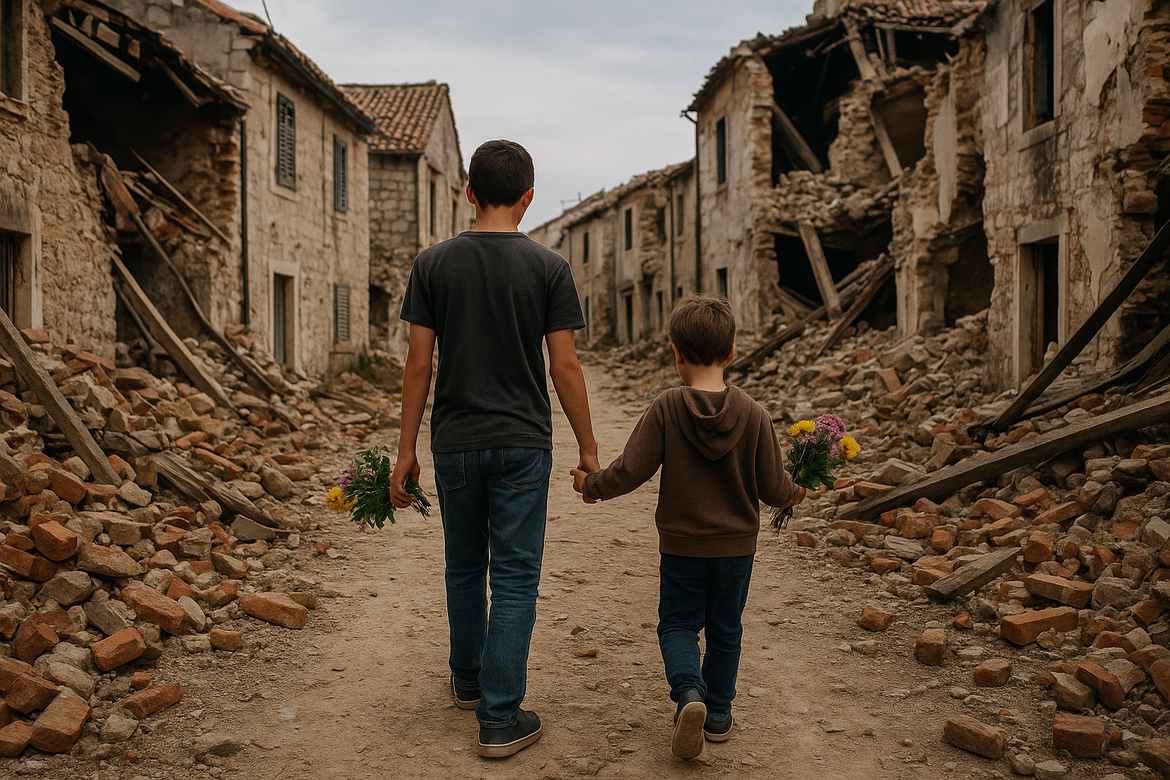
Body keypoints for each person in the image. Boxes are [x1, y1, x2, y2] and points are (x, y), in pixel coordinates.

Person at [389, 139, 599, 758]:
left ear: (469, 192)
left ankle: (469, 680)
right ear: (529, 199)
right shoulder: (549, 268)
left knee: (462, 567)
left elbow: (418, 364)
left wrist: (406, 451)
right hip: (522, 446)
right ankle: (500, 718)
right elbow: (565, 365)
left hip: (454, 443)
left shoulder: (432, 265)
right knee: (513, 578)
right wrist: (588, 450)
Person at [570, 295, 805, 760]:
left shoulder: (666, 407)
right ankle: (717, 714)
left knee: (678, 625)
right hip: (736, 550)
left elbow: (630, 470)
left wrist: (592, 485)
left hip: (681, 549)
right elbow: (773, 486)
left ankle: (689, 695)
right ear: (732, 351)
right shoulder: (754, 413)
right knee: (725, 629)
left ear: (675, 351)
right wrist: (798, 492)